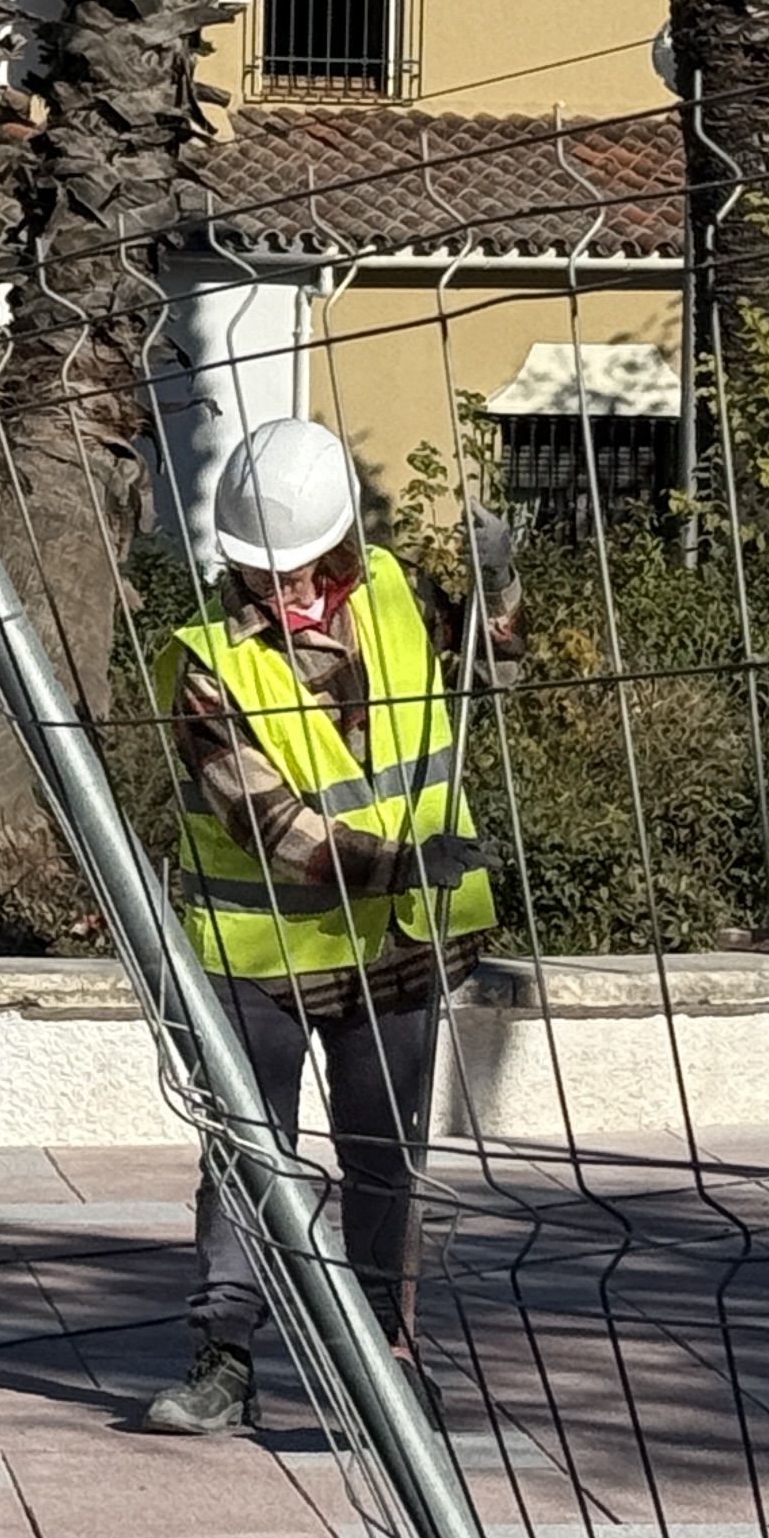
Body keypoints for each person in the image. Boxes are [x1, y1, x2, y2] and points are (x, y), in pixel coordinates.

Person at [141, 416, 516, 1437]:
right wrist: (398, 861)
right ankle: (224, 1356)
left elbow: (484, 664)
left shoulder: (394, 595)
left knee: (384, 1158)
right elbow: (274, 829)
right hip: (259, 954)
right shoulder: (205, 665)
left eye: (301, 570)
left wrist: (499, 598)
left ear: (341, 546)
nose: (284, 594)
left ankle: (387, 1360)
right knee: (245, 1158)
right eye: (263, 575)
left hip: (397, 948)